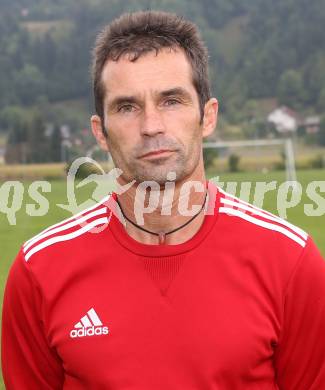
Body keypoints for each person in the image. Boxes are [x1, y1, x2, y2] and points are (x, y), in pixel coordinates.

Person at [2, 10, 325, 389]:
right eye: (127, 107)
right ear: (100, 133)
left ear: (207, 117)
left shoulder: (291, 262)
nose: (151, 125)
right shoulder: (39, 271)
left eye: (171, 101)